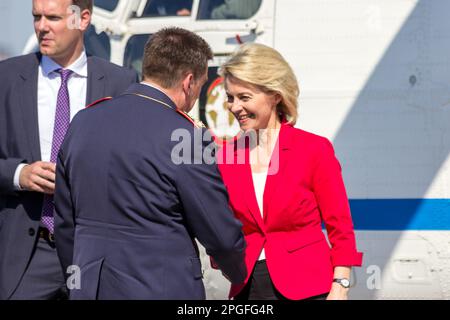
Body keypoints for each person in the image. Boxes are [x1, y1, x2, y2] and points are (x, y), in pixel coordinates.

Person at [54, 27, 247, 300]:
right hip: (160, 287)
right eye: (201, 85)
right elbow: (218, 231)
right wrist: (238, 271)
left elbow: (65, 223)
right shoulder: (186, 137)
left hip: (90, 289)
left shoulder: (83, 122)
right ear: (188, 81)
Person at [0, 0, 137, 300]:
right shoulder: (5, 78)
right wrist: (18, 173)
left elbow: (134, 167)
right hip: (26, 255)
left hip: (97, 253)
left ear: (83, 19)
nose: (41, 27)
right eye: (36, 17)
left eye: (52, 17)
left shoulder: (121, 83)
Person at [216, 43, 363, 300]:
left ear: (275, 95)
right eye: (230, 97)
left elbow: (339, 224)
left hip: (308, 286)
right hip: (247, 287)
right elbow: (220, 223)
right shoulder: (226, 156)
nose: (234, 106)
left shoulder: (313, 149)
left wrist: (341, 283)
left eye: (244, 97)